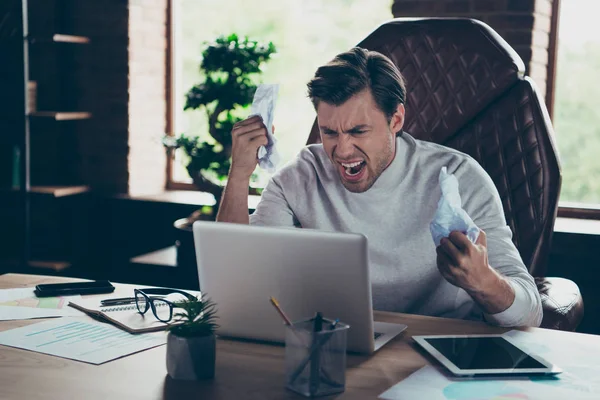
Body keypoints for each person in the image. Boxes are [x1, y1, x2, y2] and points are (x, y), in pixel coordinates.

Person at [216, 47, 543, 327]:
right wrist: (240, 174)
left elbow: (532, 314)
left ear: (396, 120)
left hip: (438, 356)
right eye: (329, 132)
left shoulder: (462, 176)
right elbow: (236, 287)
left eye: (358, 131)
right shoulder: (299, 177)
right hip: (336, 347)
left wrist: (484, 282)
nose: (342, 151)